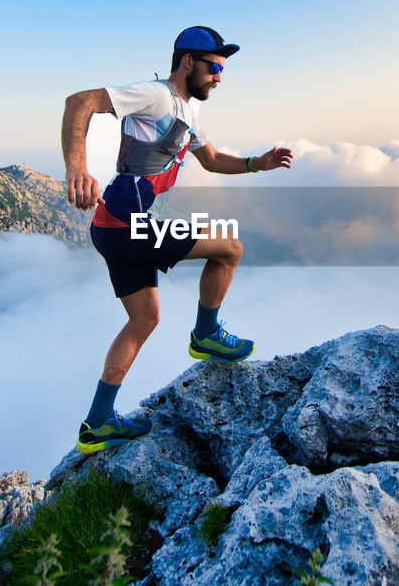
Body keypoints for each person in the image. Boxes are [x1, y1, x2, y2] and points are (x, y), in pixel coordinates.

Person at [61, 26, 293, 454]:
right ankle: (206, 335)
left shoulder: (188, 114)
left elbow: (211, 160)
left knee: (144, 318)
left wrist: (255, 163)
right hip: (127, 224)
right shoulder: (155, 95)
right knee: (230, 247)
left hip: (114, 225)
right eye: (213, 67)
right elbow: (80, 102)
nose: (219, 77)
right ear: (188, 61)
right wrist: (77, 166)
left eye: (221, 69)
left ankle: (97, 423)